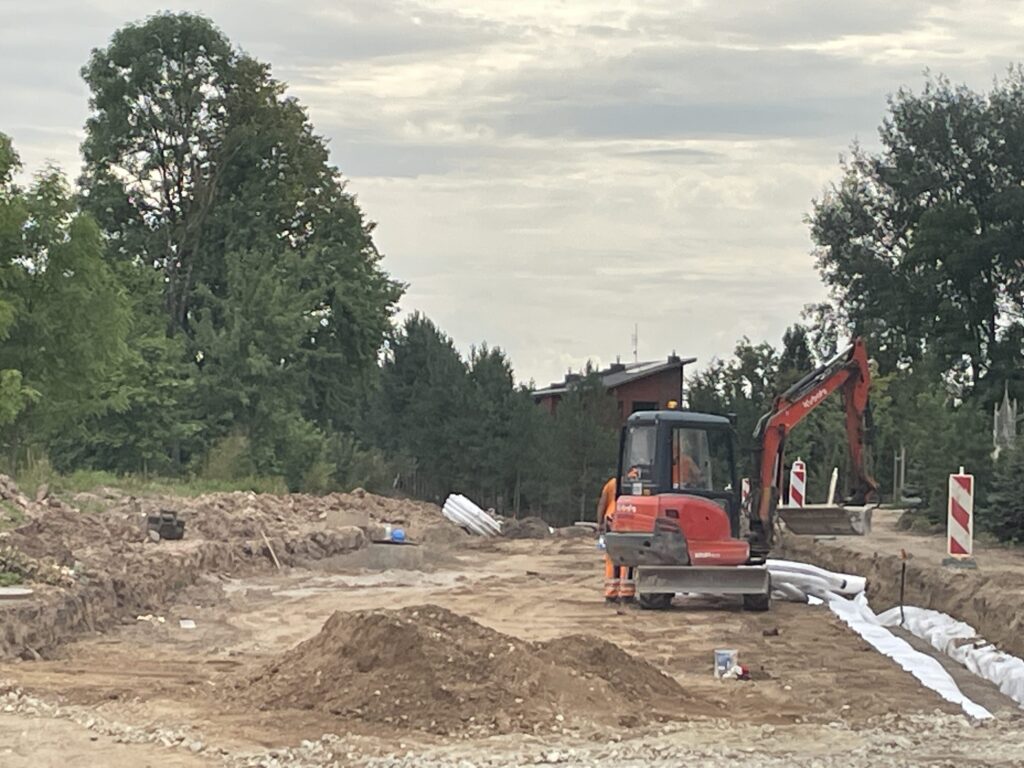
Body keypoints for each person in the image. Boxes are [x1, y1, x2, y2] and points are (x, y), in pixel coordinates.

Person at [597, 476, 619, 602]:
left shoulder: (612, 483)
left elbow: (602, 502)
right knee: (627, 557)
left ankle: (611, 592)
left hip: (611, 518)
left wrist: (599, 523)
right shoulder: (642, 480)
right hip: (630, 519)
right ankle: (626, 592)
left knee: (611, 557)